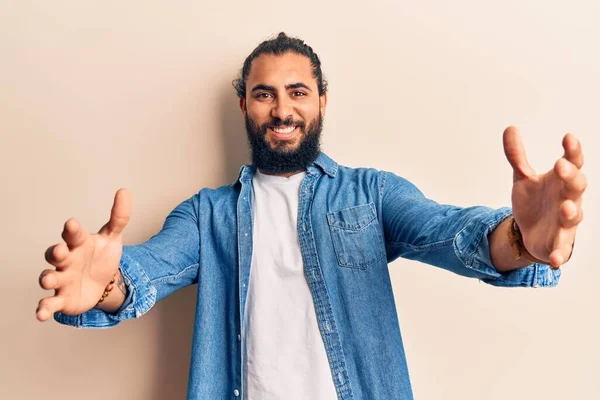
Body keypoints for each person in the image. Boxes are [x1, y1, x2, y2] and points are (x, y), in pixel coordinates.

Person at [36, 32, 587, 400]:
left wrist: (521, 240)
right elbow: (146, 272)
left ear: (322, 101)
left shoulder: (370, 194)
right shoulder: (208, 216)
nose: (282, 109)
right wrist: (102, 283)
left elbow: (446, 233)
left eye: (298, 92)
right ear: (243, 106)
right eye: (263, 94)